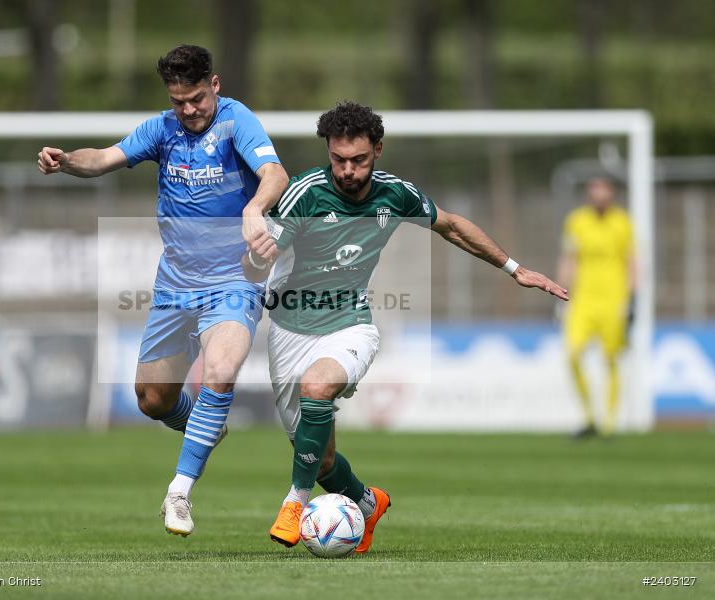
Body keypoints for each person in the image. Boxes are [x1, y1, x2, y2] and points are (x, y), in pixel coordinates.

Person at [242, 102, 568, 553]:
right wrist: (256, 256)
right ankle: (366, 501)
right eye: (339, 160)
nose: (348, 170)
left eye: (358, 160)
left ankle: (295, 502)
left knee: (317, 388)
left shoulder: (396, 194)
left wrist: (514, 268)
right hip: (290, 330)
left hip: (349, 324)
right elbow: (257, 262)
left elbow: (451, 226)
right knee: (321, 461)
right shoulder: (305, 195)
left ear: (377, 150)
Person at [38, 45, 288, 536]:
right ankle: (204, 427)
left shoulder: (237, 122)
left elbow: (275, 173)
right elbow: (103, 158)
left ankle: (179, 491)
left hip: (233, 277)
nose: (189, 110)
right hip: (175, 281)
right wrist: (67, 160)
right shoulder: (161, 129)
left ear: (214, 85)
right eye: (179, 101)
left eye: (196, 98)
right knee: (152, 399)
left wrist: (255, 208)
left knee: (220, 370)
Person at [557, 177, 635, 438]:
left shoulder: (623, 222)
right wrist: (560, 292)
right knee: (573, 354)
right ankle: (590, 417)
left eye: (604, 194)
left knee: (611, 358)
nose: (600, 199)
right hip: (583, 300)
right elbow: (569, 258)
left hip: (613, 300)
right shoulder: (577, 221)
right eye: (595, 194)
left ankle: (610, 424)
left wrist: (632, 298)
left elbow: (632, 261)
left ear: (611, 195)